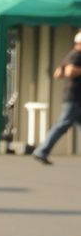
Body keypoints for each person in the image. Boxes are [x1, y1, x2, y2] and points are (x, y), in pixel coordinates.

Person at [32, 29, 81, 163]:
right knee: (63, 124)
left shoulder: (70, 55)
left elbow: (58, 73)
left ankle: (42, 150)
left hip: (74, 97)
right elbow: (69, 72)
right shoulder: (77, 55)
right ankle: (42, 150)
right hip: (74, 97)